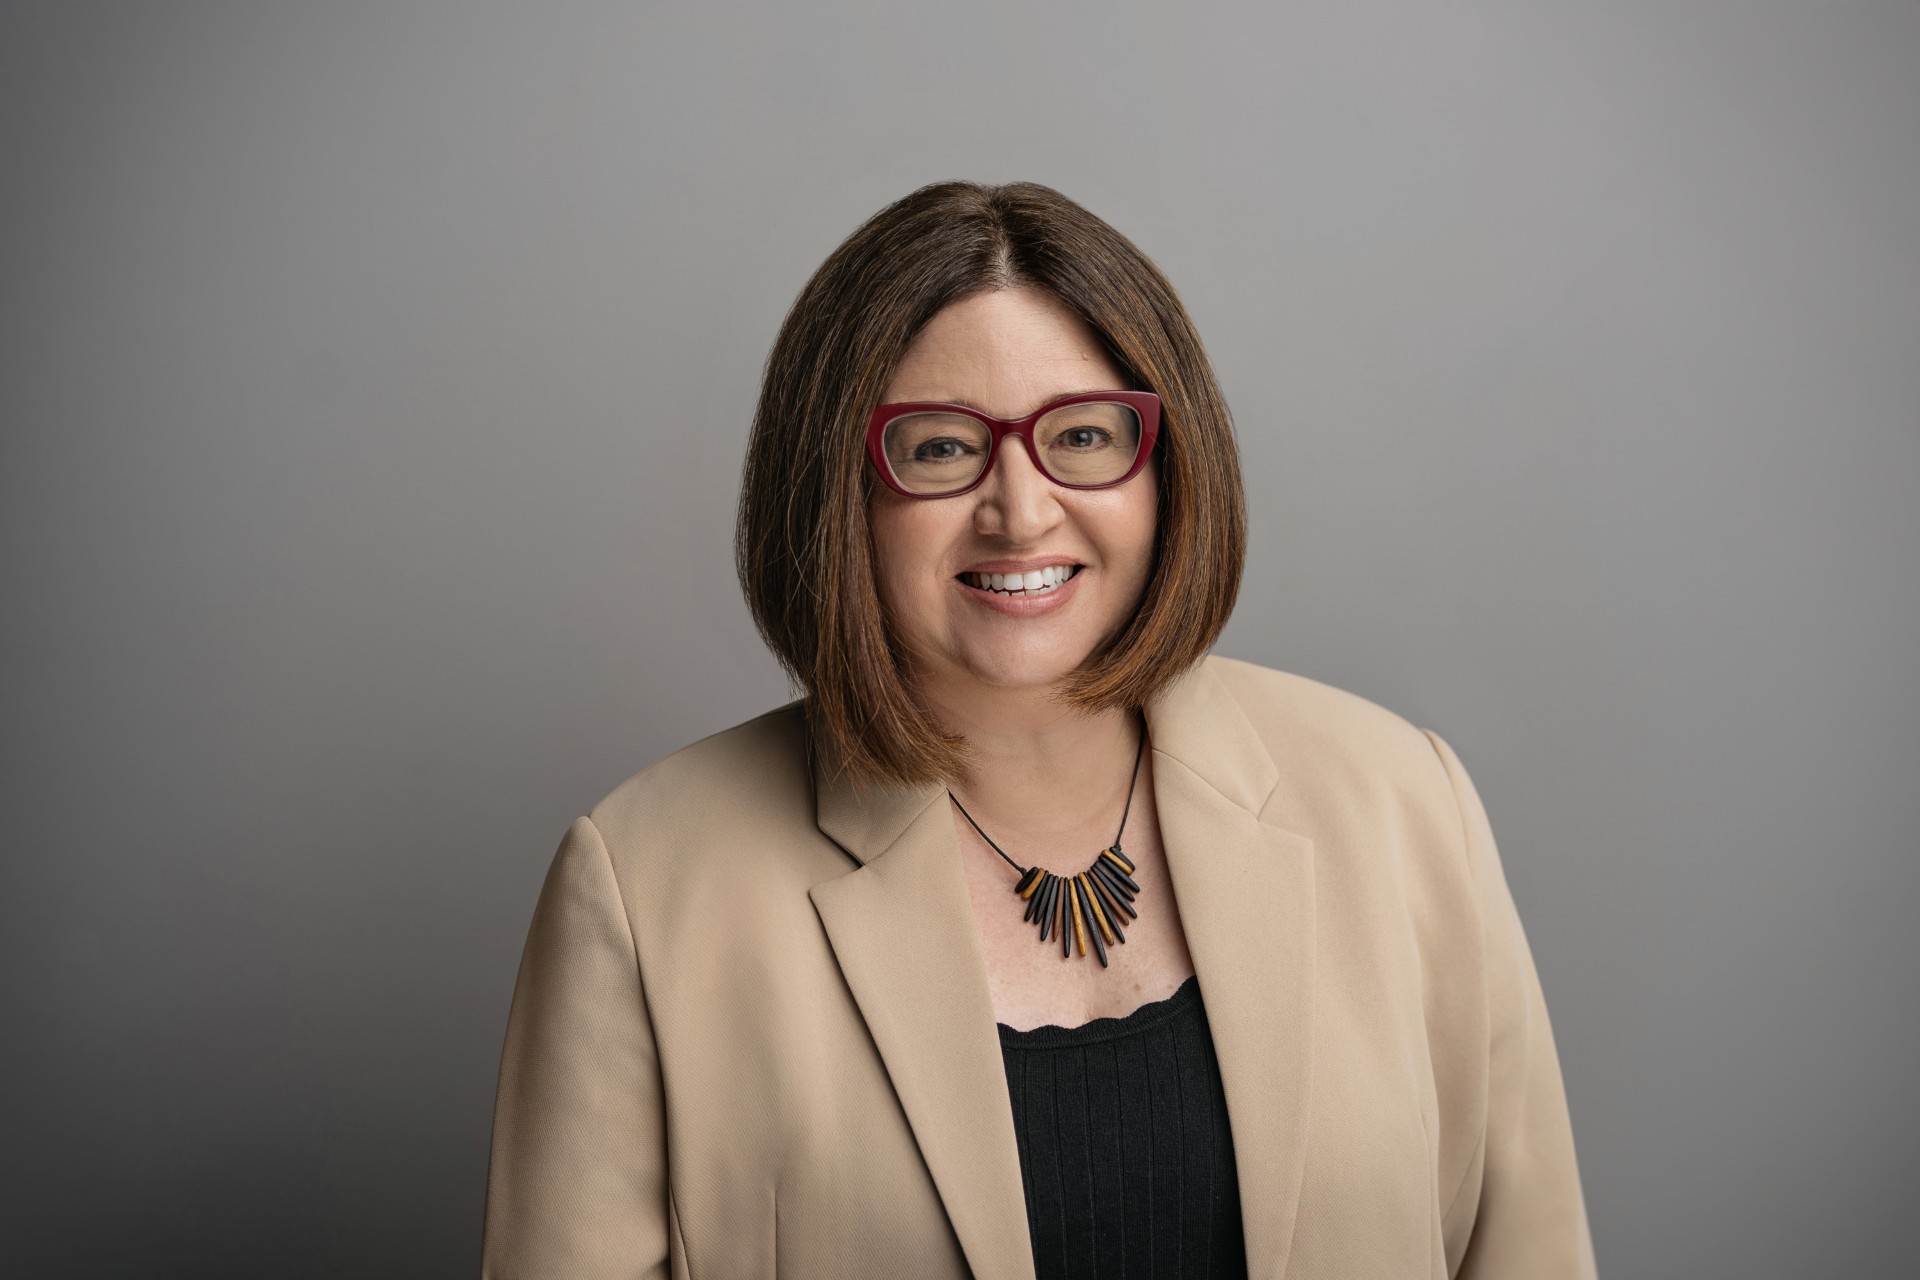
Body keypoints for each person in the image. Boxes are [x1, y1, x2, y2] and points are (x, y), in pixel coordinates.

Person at [480, 180, 1598, 1279]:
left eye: (1084, 434)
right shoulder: (643, 886)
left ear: (1167, 465)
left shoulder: (1405, 803)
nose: (1020, 511)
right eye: (938, 447)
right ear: (833, 489)